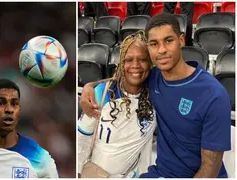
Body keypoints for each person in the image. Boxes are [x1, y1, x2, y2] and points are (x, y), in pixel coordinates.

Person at [80, 13, 231, 178]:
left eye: (168, 40)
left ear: (181, 40)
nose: (162, 50)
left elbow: (210, 168)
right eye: (154, 43)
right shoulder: (153, 77)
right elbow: (125, 76)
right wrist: (90, 86)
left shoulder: (214, 95)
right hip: (160, 173)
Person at [78, 31, 156, 178]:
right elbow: (82, 140)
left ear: (150, 63)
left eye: (142, 59)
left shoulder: (156, 95)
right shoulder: (101, 92)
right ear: (121, 63)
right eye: (129, 60)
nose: (135, 65)